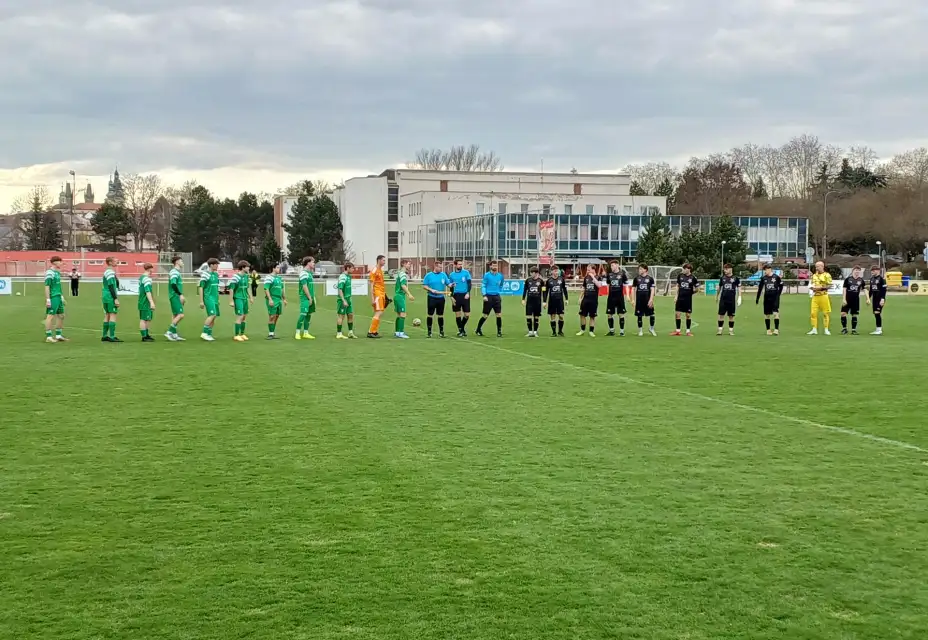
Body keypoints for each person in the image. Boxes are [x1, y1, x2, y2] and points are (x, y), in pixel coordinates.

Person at [422, 262, 451, 337]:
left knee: (440, 315)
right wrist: (431, 290)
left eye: (441, 267)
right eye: (440, 267)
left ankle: (441, 332)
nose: (441, 269)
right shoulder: (429, 275)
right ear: (435, 267)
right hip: (431, 297)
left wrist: (452, 284)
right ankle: (429, 332)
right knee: (430, 314)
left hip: (441, 298)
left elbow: (448, 284)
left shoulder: (443, 275)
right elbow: (424, 286)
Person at [476, 260, 504, 337]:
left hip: (497, 297)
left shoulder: (500, 276)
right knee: (485, 315)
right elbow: (483, 285)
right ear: (490, 266)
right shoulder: (487, 275)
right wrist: (484, 295)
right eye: (493, 265)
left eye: (496, 265)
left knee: (498, 314)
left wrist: (499, 291)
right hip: (488, 297)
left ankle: (499, 331)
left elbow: (501, 284)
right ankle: (478, 329)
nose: (495, 267)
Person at [44, 255, 67, 342]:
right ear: (54, 262)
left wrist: (61, 297)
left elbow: (58, 286)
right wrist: (48, 299)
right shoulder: (49, 273)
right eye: (60, 261)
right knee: (50, 316)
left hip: (58, 296)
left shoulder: (57, 273)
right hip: (53, 297)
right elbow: (47, 286)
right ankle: (49, 337)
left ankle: (58, 335)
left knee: (61, 316)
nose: (61, 263)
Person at [228, 261, 253, 341]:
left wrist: (251, 297)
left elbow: (248, 287)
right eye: (247, 267)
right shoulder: (235, 277)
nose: (249, 268)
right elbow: (231, 289)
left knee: (244, 316)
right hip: (238, 298)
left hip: (244, 298)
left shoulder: (246, 276)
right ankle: (236, 335)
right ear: (243, 267)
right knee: (240, 315)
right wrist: (231, 301)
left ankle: (242, 334)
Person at [755, 263, 783, 335]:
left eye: (765, 270)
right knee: (767, 314)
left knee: (775, 313)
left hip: (775, 298)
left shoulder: (776, 277)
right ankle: (768, 330)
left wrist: (778, 294)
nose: (765, 271)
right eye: (764, 270)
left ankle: (776, 329)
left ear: (769, 269)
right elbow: (760, 289)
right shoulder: (763, 278)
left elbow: (781, 286)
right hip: (767, 298)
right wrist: (757, 298)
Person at [672, 263, 699, 336]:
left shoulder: (693, 278)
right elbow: (677, 286)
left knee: (688, 315)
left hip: (688, 299)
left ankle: (688, 331)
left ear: (689, 269)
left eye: (684, 269)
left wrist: (691, 293)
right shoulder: (680, 276)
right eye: (683, 268)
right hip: (680, 298)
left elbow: (697, 289)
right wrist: (676, 296)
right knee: (677, 314)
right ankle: (677, 331)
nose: (683, 270)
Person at [198, 258, 221, 341]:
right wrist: (201, 301)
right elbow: (201, 287)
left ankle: (209, 334)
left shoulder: (216, 275)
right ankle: (204, 333)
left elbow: (216, 287)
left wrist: (218, 299)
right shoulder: (205, 275)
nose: (217, 266)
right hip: (208, 297)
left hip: (215, 298)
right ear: (211, 265)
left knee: (214, 317)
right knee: (212, 315)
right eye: (216, 264)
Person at [576, 264, 602, 336]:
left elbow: (599, 285)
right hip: (585, 299)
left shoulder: (598, 277)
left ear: (593, 269)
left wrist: (593, 277)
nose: (587, 271)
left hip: (593, 300)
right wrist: (580, 298)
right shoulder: (586, 278)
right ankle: (582, 330)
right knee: (582, 315)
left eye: (589, 270)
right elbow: (584, 288)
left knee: (592, 316)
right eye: (587, 270)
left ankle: (591, 331)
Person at [715, 263, 741, 336]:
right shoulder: (722, 278)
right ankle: (720, 330)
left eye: (726, 269)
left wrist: (740, 297)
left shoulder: (735, 278)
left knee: (731, 316)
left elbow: (739, 287)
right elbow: (719, 288)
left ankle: (731, 331)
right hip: (723, 299)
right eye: (724, 269)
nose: (725, 271)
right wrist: (716, 296)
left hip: (731, 300)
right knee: (721, 315)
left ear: (730, 269)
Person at [449, 259, 473, 336]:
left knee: (467, 315)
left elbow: (469, 284)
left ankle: (461, 328)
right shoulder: (452, 275)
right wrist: (451, 297)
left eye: (461, 264)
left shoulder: (466, 273)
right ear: (455, 265)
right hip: (456, 296)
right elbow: (451, 287)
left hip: (465, 295)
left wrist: (468, 293)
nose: (460, 266)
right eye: (459, 264)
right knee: (458, 314)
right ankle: (461, 331)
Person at [808, 261, 832, 335]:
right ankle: (814, 329)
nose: (816, 268)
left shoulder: (827, 275)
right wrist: (812, 288)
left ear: (822, 266)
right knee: (813, 313)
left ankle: (826, 329)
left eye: (818, 266)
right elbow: (811, 285)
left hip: (823, 296)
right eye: (816, 266)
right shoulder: (814, 276)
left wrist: (820, 288)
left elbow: (829, 285)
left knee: (825, 313)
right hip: (815, 297)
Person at [632, 264, 657, 336]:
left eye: (641, 269)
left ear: (645, 270)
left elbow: (652, 290)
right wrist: (633, 300)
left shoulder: (650, 279)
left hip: (648, 300)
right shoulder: (636, 279)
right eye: (639, 269)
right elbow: (633, 289)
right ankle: (640, 331)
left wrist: (651, 299)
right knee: (639, 316)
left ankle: (651, 329)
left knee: (652, 315)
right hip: (639, 301)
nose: (639, 270)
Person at [604, 260, 628, 336]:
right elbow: (608, 284)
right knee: (609, 314)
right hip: (611, 297)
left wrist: (627, 295)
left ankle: (621, 331)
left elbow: (626, 285)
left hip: (619, 296)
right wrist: (608, 293)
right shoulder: (609, 275)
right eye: (611, 266)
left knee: (621, 314)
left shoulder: (622, 274)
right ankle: (611, 331)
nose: (611, 267)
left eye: (613, 265)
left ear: (617, 265)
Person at [543, 265, 568, 336]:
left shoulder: (562, 279)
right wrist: (544, 301)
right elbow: (545, 292)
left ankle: (560, 331)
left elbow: (564, 289)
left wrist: (566, 299)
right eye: (555, 271)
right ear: (552, 272)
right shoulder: (548, 281)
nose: (556, 272)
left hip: (560, 301)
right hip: (552, 301)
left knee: (561, 316)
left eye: (557, 271)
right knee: (552, 316)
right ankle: (554, 332)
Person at [101, 256, 122, 342]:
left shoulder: (109, 272)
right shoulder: (109, 272)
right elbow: (111, 286)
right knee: (113, 314)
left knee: (107, 315)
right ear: (110, 262)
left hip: (105, 295)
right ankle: (112, 336)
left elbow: (116, 283)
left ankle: (105, 335)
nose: (117, 262)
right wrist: (115, 298)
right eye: (115, 261)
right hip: (110, 296)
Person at [264, 262, 287, 339]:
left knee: (276, 316)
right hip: (272, 299)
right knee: (272, 316)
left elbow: (282, 289)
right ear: (273, 268)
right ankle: (270, 334)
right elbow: (266, 289)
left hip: (278, 299)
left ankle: (272, 333)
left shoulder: (279, 278)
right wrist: (270, 299)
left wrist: (284, 299)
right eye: (277, 267)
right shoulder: (269, 277)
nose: (279, 269)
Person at [165, 255, 186, 341]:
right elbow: (173, 284)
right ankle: (169, 332)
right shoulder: (174, 272)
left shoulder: (176, 272)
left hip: (174, 295)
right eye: (181, 261)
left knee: (176, 315)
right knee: (181, 315)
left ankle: (174, 334)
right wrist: (180, 294)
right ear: (177, 262)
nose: (182, 262)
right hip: (175, 296)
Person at [840, 265, 865, 335]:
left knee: (854, 315)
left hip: (856, 300)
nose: (857, 272)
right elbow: (844, 289)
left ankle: (854, 330)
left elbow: (864, 289)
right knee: (843, 313)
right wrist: (844, 299)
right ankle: (844, 329)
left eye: (858, 270)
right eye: (856, 270)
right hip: (847, 299)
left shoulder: (861, 280)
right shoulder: (848, 279)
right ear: (853, 271)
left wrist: (867, 298)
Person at [393, 259, 414, 338]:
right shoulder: (403, 274)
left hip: (397, 295)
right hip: (400, 296)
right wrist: (409, 294)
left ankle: (397, 332)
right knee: (403, 314)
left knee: (399, 315)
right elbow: (403, 285)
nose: (409, 266)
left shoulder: (399, 273)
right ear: (404, 264)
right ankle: (401, 333)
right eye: (408, 264)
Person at [368, 254, 387, 338]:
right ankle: (371, 331)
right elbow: (371, 285)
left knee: (379, 312)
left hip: (381, 294)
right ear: (379, 260)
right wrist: (372, 298)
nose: (384, 262)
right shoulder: (374, 270)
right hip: (377, 294)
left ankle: (374, 331)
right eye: (383, 260)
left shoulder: (380, 270)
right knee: (378, 312)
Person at [295, 256, 315, 340]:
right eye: (313, 262)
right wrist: (309, 297)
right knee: (303, 314)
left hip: (311, 297)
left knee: (308, 315)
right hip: (305, 297)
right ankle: (297, 332)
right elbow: (304, 286)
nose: (314, 264)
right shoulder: (303, 273)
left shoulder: (310, 273)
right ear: (308, 263)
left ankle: (306, 332)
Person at [336, 262, 356, 339]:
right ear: (347, 268)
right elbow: (340, 289)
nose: (353, 270)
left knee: (350, 315)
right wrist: (343, 300)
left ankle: (350, 332)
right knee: (341, 316)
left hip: (348, 299)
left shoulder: (349, 277)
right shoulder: (343, 277)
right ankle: (339, 333)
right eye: (352, 268)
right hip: (342, 300)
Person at [522, 267, 544, 337]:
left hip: (537, 302)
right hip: (529, 301)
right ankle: (530, 331)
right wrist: (523, 299)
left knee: (536, 317)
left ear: (536, 273)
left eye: (532, 272)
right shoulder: (528, 280)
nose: (530, 274)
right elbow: (525, 290)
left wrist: (544, 301)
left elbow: (544, 291)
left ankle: (535, 332)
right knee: (528, 316)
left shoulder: (541, 281)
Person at [138, 263, 156, 342]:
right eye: (152, 268)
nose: (153, 270)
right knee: (144, 319)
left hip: (142, 300)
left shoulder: (141, 277)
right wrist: (151, 301)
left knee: (147, 318)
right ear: (149, 269)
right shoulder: (146, 279)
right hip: (145, 301)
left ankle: (146, 334)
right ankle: (144, 336)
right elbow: (147, 291)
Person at [868, 264, 887, 335]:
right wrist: (868, 298)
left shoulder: (882, 279)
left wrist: (882, 299)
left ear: (878, 271)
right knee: (875, 313)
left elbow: (884, 290)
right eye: (871, 271)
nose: (872, 272)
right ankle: (877, 329)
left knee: (877, 312)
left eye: (873, 270)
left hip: (880, 298)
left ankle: (879, 330)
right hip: (874, 299)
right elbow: (871, 290)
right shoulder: (871, 279)